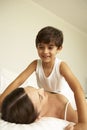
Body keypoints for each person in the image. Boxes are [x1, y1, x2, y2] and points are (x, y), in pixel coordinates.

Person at [0, 26, 83, 108]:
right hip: (46, 98)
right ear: (37, 47)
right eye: (41, 47)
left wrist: (83, 120)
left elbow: (77, 88)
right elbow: (18, 81)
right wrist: (1, 99)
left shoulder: (61, 66)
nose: (45, 51)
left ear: (59, 49)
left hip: (63, 99)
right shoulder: (35, 64)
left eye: (50, 47)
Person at [1, 85, 87, 130]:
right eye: (40, 96)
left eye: (35, 88)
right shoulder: (67, 111)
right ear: (37, 118)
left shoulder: (15, 104)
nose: (42, 89)